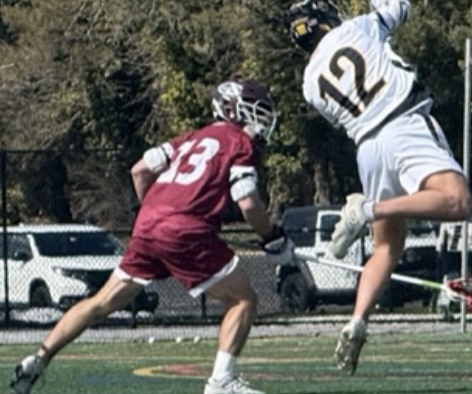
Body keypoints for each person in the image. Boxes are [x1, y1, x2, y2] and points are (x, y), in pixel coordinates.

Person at [9, 79, 294, 394]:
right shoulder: (240, 142)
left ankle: (39, 357)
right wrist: (272, 238)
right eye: (256, 112)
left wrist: (156, 214)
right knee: (242, 298)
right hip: (184, 228)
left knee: (101, 302)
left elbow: (140, 170)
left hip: (148, 225)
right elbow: (248, 201)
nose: (260, 122)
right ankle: (221, 382)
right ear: (231, 109)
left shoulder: (191, 138)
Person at [285, 0, 472, 374]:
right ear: (326, 18)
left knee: (387, 247)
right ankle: (367, 209)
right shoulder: (356, 28)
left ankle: (357, 321)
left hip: (367, 148)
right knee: (457, 200)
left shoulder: (309, 83)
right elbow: (399, 6)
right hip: (403, 121)